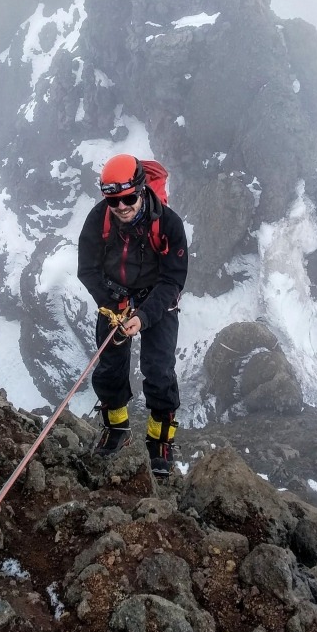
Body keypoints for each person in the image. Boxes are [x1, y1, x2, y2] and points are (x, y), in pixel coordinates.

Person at [77, 153, 188, 475]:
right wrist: (114, 303)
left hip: (158, 302)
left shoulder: (168, 223)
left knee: (159, 371)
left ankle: (160, 444)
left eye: (127, 198)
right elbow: (88, 270)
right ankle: (117, 431)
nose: (122, 206)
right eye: (114, 201)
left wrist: (144, 315)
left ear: (141, 189)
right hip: (115, 299)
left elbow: (172, 280)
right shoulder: (99, 220)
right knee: (110, 369)